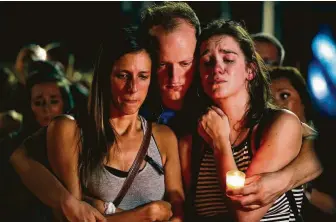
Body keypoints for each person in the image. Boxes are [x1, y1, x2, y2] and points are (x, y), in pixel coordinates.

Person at [10, 2, 321, 221]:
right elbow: (22, 154)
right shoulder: (129, 97)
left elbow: (311, 140)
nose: (174, 80)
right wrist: (70, 202)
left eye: (185, 65)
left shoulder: (213, 100)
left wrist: (282, 179)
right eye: (161, 66)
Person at [20, 27, 183, 222]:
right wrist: (147, 214)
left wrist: (106, 210)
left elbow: (178, 210)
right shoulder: (70, 130)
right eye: (123, 75)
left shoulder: (163, 137)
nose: (133, 88)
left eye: (142, 76)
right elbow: (71, 217)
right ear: (106, 76)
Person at [180, 19, 304, 222]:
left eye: (228, 59)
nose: (217, 68)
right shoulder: (193, 140)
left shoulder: (279, 125)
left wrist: (220, 143)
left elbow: (245, 215)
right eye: (207, 62)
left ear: (250, 70)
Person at [0, 60, 74, 221]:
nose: (46, 108)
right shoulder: (12, 146)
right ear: (29, 106)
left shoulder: (81, 142)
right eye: (39, 102)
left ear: (64, 103)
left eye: (54, 101)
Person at [269, 66, 336, 221]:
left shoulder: (327, 144)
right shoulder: (265, 149)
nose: (275, 106)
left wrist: (304, 191)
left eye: (284, 96)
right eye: (268, 100)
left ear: (304, 101)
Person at [139, 1, 201, 138]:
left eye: (185, 64)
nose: (174, 77)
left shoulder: (216, 108)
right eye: (162, 64)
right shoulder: (132, 109)